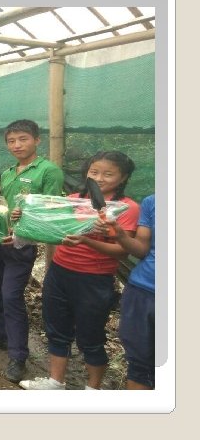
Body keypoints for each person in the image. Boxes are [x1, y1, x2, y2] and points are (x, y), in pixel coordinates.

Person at [20, 151, 140, 390]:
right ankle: (56, 382)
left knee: (91, 337)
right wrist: (24, 217)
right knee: (56, 328)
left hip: (94, 279)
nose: (99, 178)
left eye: (108, 174)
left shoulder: (126, 208)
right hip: (60, 272)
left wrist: (88, 240)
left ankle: (92, 389)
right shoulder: (74, 199)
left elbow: (121, 252)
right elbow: (52, 229)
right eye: (94, 172)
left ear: (123, 177)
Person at [0, 119, 64, 384]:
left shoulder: (48, 171)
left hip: (20, 246)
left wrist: (22, 234)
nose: (17, 145)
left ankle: (18, 354)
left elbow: (49, 210)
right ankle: (0, 334)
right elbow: (4, 206)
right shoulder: (8, 173)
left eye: (23, 139)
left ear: (36, 140)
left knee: (11, 296)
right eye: (11, 141)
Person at [101, 194, 155, 390]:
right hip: (143, 289)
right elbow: (141, 249)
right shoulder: (153, 201)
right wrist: (120, 235)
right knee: (139, 363)